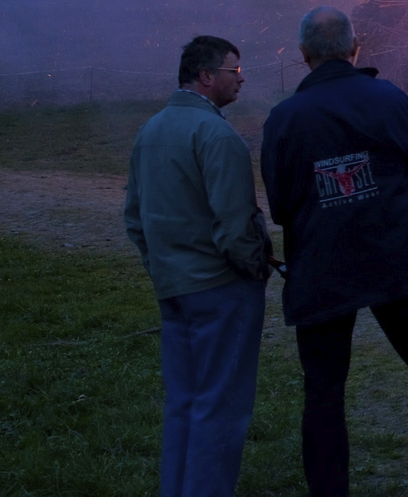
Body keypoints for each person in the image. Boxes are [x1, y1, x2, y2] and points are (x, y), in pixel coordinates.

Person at [262, 7, 408, 497]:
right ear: (354, 49)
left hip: (321, 267)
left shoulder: (284, 119)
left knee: (323, 391)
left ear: (304, 56)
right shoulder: (387, 98)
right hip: (392, 257)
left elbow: (280, 203)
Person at [125, 35, 272, 497]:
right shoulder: (218, 136)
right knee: (221, 406)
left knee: (184, 404)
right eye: (234, 70)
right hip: (221, 290)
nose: (241, 78)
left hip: (174, 290)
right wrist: (255, 268)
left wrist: (164, 269)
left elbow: (135, 218)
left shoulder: (150, 131)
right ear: (207, 76)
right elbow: (235, 225)